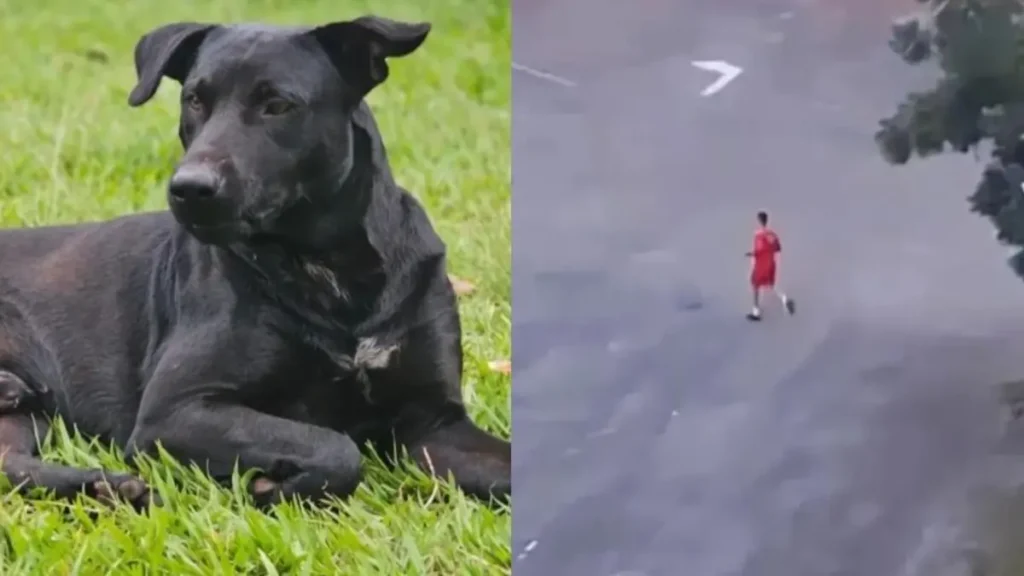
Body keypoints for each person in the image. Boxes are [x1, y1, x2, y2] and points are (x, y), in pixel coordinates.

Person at [745, 211, 796, 321]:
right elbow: (778, 248)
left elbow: (759, 250)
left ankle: (756, 312)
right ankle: (785, 299)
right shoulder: (772, 234)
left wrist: (753, 254)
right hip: (770, 263)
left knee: (755, 284)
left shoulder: (759, 234)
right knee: (770, 284)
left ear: (759, 220)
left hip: (761, 264)